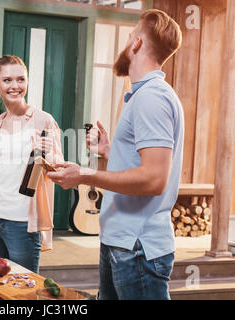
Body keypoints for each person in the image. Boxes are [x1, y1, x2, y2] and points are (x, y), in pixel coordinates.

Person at [47, 9, 184, 300]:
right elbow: (143, 164)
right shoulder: (143, 95)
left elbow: (154, 179)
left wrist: (83, 174)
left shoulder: (151, 98)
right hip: (120, 241)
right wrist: (111, 151)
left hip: (137, 248)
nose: (128, 40)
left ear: (136, 44)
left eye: (131, 34)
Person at [0, 55, 64, 273]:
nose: (15, 86)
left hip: (22, 223)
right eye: (7, 80)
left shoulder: (43, 120)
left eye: (21, 79)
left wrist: (49, 156)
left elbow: (59, 172)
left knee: (21, 291)